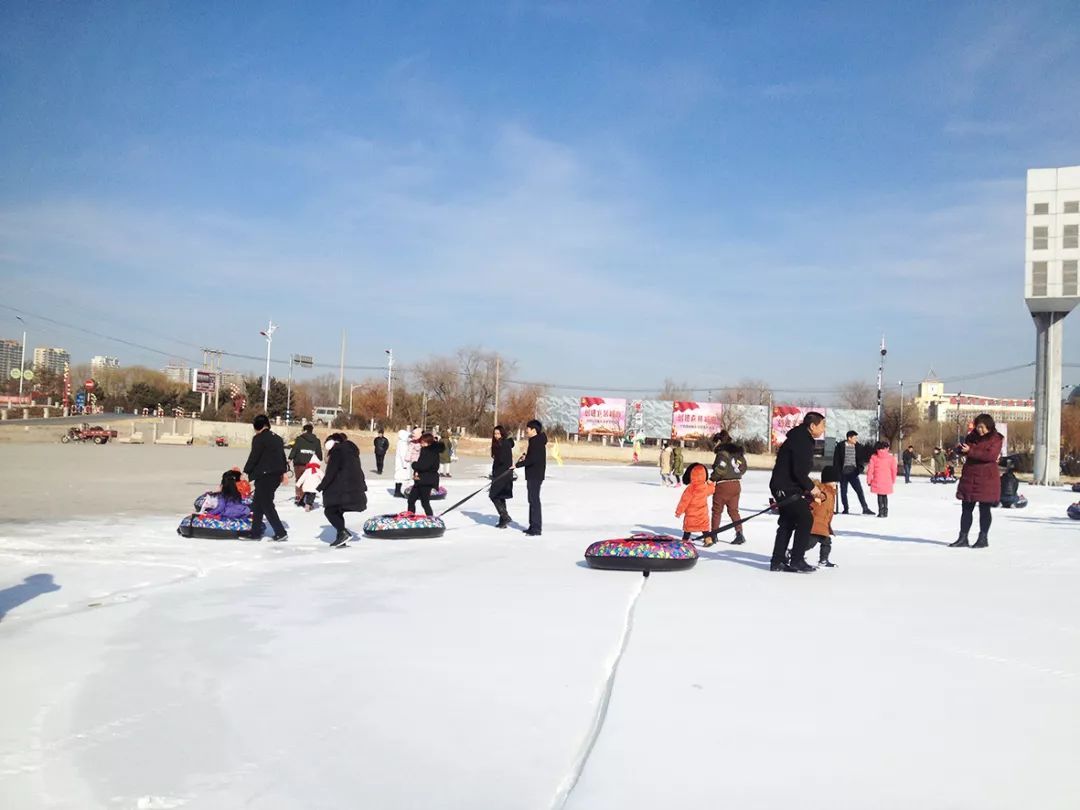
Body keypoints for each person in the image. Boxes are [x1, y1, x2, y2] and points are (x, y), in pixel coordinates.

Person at [769, 411, 826, 572]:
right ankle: (796, 559)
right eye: (822, 426)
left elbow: (798, 472)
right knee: (805, 518)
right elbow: (799, 472)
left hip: (787, 485)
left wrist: (805, 488)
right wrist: (813, 490)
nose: (823, 430)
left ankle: (778, 561)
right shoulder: (802, 441)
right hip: (784, 486)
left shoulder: (801, 438)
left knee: (788, 521)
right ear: (812, 425)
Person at [949, 413, 1003, 549]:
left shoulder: (996, 439)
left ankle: (983, 537)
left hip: (987, 479)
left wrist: (970, 450)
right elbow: (966, 451)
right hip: (970, 477)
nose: (980, 430)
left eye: (983, 427)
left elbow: (990, 456)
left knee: (984, 509)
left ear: (989, 427)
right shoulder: (971, 437)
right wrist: (960, 450)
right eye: (978, 427)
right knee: (966, 509)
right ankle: (963, 537)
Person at [242, 414, 289, 541]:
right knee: (257, 503)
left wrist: (246, 472)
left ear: (257, 426)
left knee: (266, 504)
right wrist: (284, 473)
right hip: (275, 475)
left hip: (265, 475)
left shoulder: (259, 439)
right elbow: (282, 457)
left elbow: (254, 456)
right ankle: (255, 532)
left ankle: (281, 532)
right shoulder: (277, 438)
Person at [318, 433, 368, 547]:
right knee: (337, 511)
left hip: (344, 489)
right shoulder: (351, 452)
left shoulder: (337, 452)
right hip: (353, 489)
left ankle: (342, 532)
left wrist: (320, 487)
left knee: (330, 511)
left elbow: (331, 472)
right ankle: (342, 538)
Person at [709, 430, 748, 545]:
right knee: (734, 511)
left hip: (723, 485)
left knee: (717, 511)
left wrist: (712, 479)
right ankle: (739, 533)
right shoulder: (737, 453)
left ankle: (714, 534)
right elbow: (744, 467)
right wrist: (736, 474)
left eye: (715, 442)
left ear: (720, 441)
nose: (714, 445)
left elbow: (721, 469)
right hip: (736, 484)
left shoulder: (722, 453)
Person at [516, 419, 547, 536]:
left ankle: (536, 528)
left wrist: (517, 465)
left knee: (534, 500)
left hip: (535, 475)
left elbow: (533, 460)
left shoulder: (536, 442)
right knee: (532, 500)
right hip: (533, 474)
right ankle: (532, 526)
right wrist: (525, 457)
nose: (526, 431)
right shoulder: (535, 441)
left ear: (534, 430)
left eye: (528, 429)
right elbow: (532, 457)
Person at [832, 431, 873, 515]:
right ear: (849, 438)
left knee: (859, 491)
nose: (856, 440)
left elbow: (861, 459)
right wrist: (836, 473)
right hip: (843, 473)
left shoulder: (858, 447)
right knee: (843, 492)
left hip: (853, 472)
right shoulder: (840, 446)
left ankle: (865, 508)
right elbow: (836, 460)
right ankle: (845, 508)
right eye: (854, 438)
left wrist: (859, 470)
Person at [676, 463, 716, 546]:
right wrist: (711, 483)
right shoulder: (704, 487)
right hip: (702, 513)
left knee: (688, 529)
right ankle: (708, 540)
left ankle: (685, 541)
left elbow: (684, 501)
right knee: (704, 527)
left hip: (691, 513)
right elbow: (712, 490)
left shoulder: (690, 489)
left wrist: (679, 511)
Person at [809, 465, 839, 567]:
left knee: (827, 542)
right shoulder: (824, 492)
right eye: (834, 481)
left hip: (823, 524)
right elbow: (815, 498)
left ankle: (823, 560)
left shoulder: (831, 492)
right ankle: (793, 552)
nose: (835, 484)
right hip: (816, 524)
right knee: (810, 543)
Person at [409, 432, 444, 516]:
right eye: (421, 442)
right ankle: (410, 517)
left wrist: (414, 465)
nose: (421, 444)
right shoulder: (425, 450)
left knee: (425, 502)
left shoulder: (431, 452)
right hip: (420, 480)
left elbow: (423, 466)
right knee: (411, 500)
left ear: (428, 442)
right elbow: (421, 465)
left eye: (423, 442)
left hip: (427, 481)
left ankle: (431, 518)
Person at [289, 424, 323, 507]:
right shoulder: (317, 441)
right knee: (308, 481)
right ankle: (306, 499)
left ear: (304, 430)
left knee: (299, 480)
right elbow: (319, 454)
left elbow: (295, 449)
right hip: (311, 465)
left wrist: (290, 458)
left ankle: (299, 497)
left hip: (299, 463)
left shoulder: (299, 439)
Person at [489, 425, 515, 528]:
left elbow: (502, 460)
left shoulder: (503, 444)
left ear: (502, 434)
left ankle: (505, 516)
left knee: (494, 496)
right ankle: (503, 521)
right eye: (495, 434)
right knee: (501, 497)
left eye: (498, 433)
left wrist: (496, 473)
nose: (496, 436)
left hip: (502, 475)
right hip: (503, 474)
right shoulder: (502, 443)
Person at [866, 441, 898, 518]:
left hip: (877, 479)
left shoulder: (874, 457)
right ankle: (885, 511)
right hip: (887, 480)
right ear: (886, 448)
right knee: (885, 496)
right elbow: (894, 470)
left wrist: (869, 480)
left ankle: (880, 512)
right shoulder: (891, 458)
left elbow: (870, 470)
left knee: (879, 496)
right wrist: (893, 479)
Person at [393, 429, 412, 498]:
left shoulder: (401, 443)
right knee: (401, 477)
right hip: (402, 464)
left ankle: (398, 491)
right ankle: (398, 491)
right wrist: (405, 464)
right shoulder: (402, 444)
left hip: (401, 463)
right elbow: (403, 455)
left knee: (400, 477)